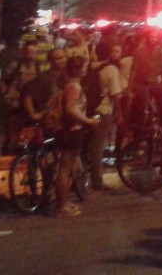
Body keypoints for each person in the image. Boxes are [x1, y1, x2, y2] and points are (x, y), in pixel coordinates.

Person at [55, 56, 100, 217]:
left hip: (72, 130)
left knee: (69, 169)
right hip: (72, 131)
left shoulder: (70, 85)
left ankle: (65, 203)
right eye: (85, 66)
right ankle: (61, 207)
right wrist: (88, 121)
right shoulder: (74, 87)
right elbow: (70, 109)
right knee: (65, 169)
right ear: (80, 69)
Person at [87, 41, 124, 190]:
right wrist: (119, 113)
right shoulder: (111, 69)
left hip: (88, 110)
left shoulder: (91, 67)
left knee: (89, 146)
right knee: (98, 147)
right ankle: (96, 181)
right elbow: (116, 95)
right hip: (103, 111)